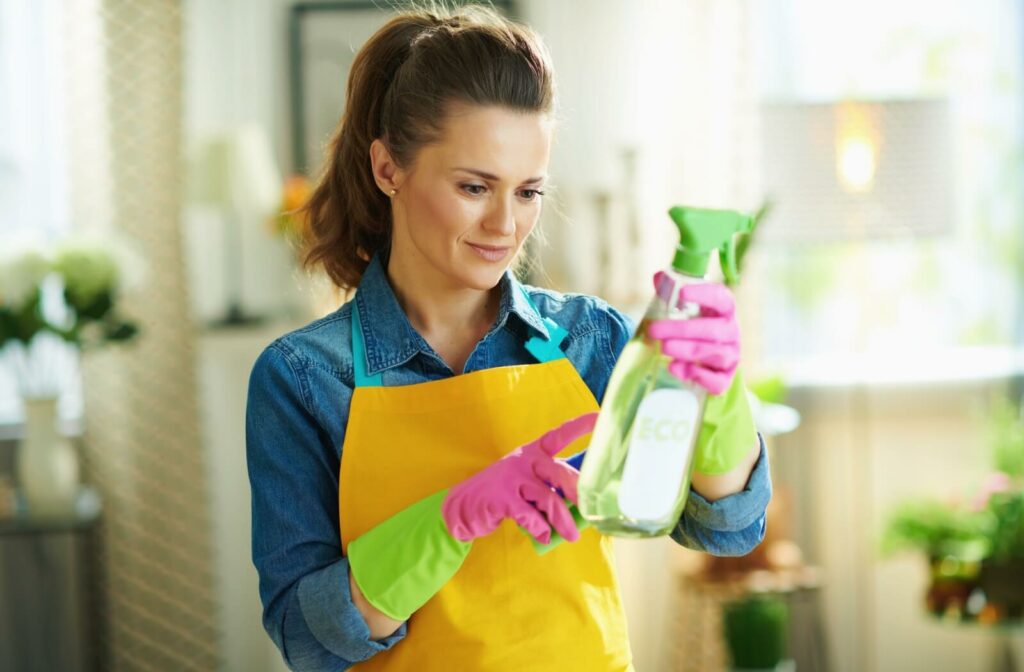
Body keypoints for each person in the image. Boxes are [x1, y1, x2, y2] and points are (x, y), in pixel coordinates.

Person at [246, 6, 771, 671]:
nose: (505, 224)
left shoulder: (589, 338)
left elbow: (721, 525)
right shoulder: (303, 377)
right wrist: (449, 521)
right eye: (474, 187)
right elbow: (306, 638)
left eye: (528, 192)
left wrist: (717, 393)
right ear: (388, 169)